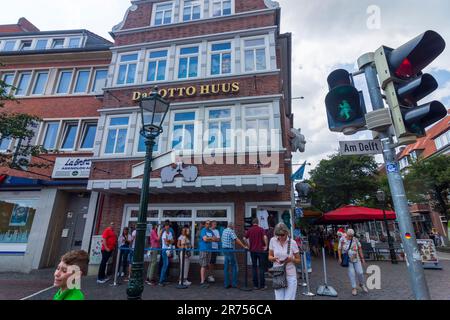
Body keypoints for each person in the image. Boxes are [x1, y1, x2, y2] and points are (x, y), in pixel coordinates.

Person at [268, 223, 301, 300]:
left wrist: (291, 259)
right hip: (278, 274)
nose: (280, 237)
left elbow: (298, 260)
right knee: (279, 298)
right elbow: (269, 256)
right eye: (278, 235)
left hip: (290, 275)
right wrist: (273, 258)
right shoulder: (273, 240)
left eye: (282, 235)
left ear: (287, 232)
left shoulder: (292, 243)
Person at [338, 229, 369, 296]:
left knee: (360, 272)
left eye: (352, 236)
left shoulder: (355, 239)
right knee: (351, 274)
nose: (350, 237)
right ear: (347, 234)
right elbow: (339, 249)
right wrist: (340, 258)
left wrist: (362, 258)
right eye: (349, 236)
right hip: (348, 260)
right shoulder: (342, 239)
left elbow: (360, 248)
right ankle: (354, 288)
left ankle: (362, 284)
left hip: (356, 258)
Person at [221, 221, 248, 289]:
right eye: (233, 226)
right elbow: (236, 239)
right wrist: (244, 246)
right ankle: (234, 284)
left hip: (224, 250)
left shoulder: (224, 231)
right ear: (232, 226)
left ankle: (226, 284)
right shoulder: (231, 231)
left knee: (226, 267)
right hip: (230, 250)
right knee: (234, 267)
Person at [244, 217, 268, 290]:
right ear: (258, 222)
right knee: (261, 268)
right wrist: (266, 246)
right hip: (260, 250)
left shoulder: (250, 230)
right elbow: (265, 237)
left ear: (252, 223)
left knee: (254, 267)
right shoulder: (261, 229)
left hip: (252, 251)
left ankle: (255, 285)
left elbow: (244, 238)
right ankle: (262, 286)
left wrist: (248, 246)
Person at [199, 220, 215, 288]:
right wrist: (211, 238)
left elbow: (216, 239)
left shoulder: (211, 231)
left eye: (209, 224)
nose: (208, 225)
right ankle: (202, 281)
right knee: (203, 265)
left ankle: (204, 279)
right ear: (205, 224)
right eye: (207, 223)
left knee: (206, 265)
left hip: (209, 250)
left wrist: (209, 239)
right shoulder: (203, 230)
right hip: (203, 249)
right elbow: (205, 239)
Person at [159, 221, 174, 286]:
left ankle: (164, 279)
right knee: (165, 265)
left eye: (168, 226)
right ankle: (161, 281)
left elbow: (172, 241)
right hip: (164, 250)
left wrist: (169, 241)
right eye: (166, 226)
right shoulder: (164, 233)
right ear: (164, 227)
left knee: (166, 265)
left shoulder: (170, 233)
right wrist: (169, 241)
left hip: (169, 250)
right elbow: (166, 242)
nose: (167, 227)